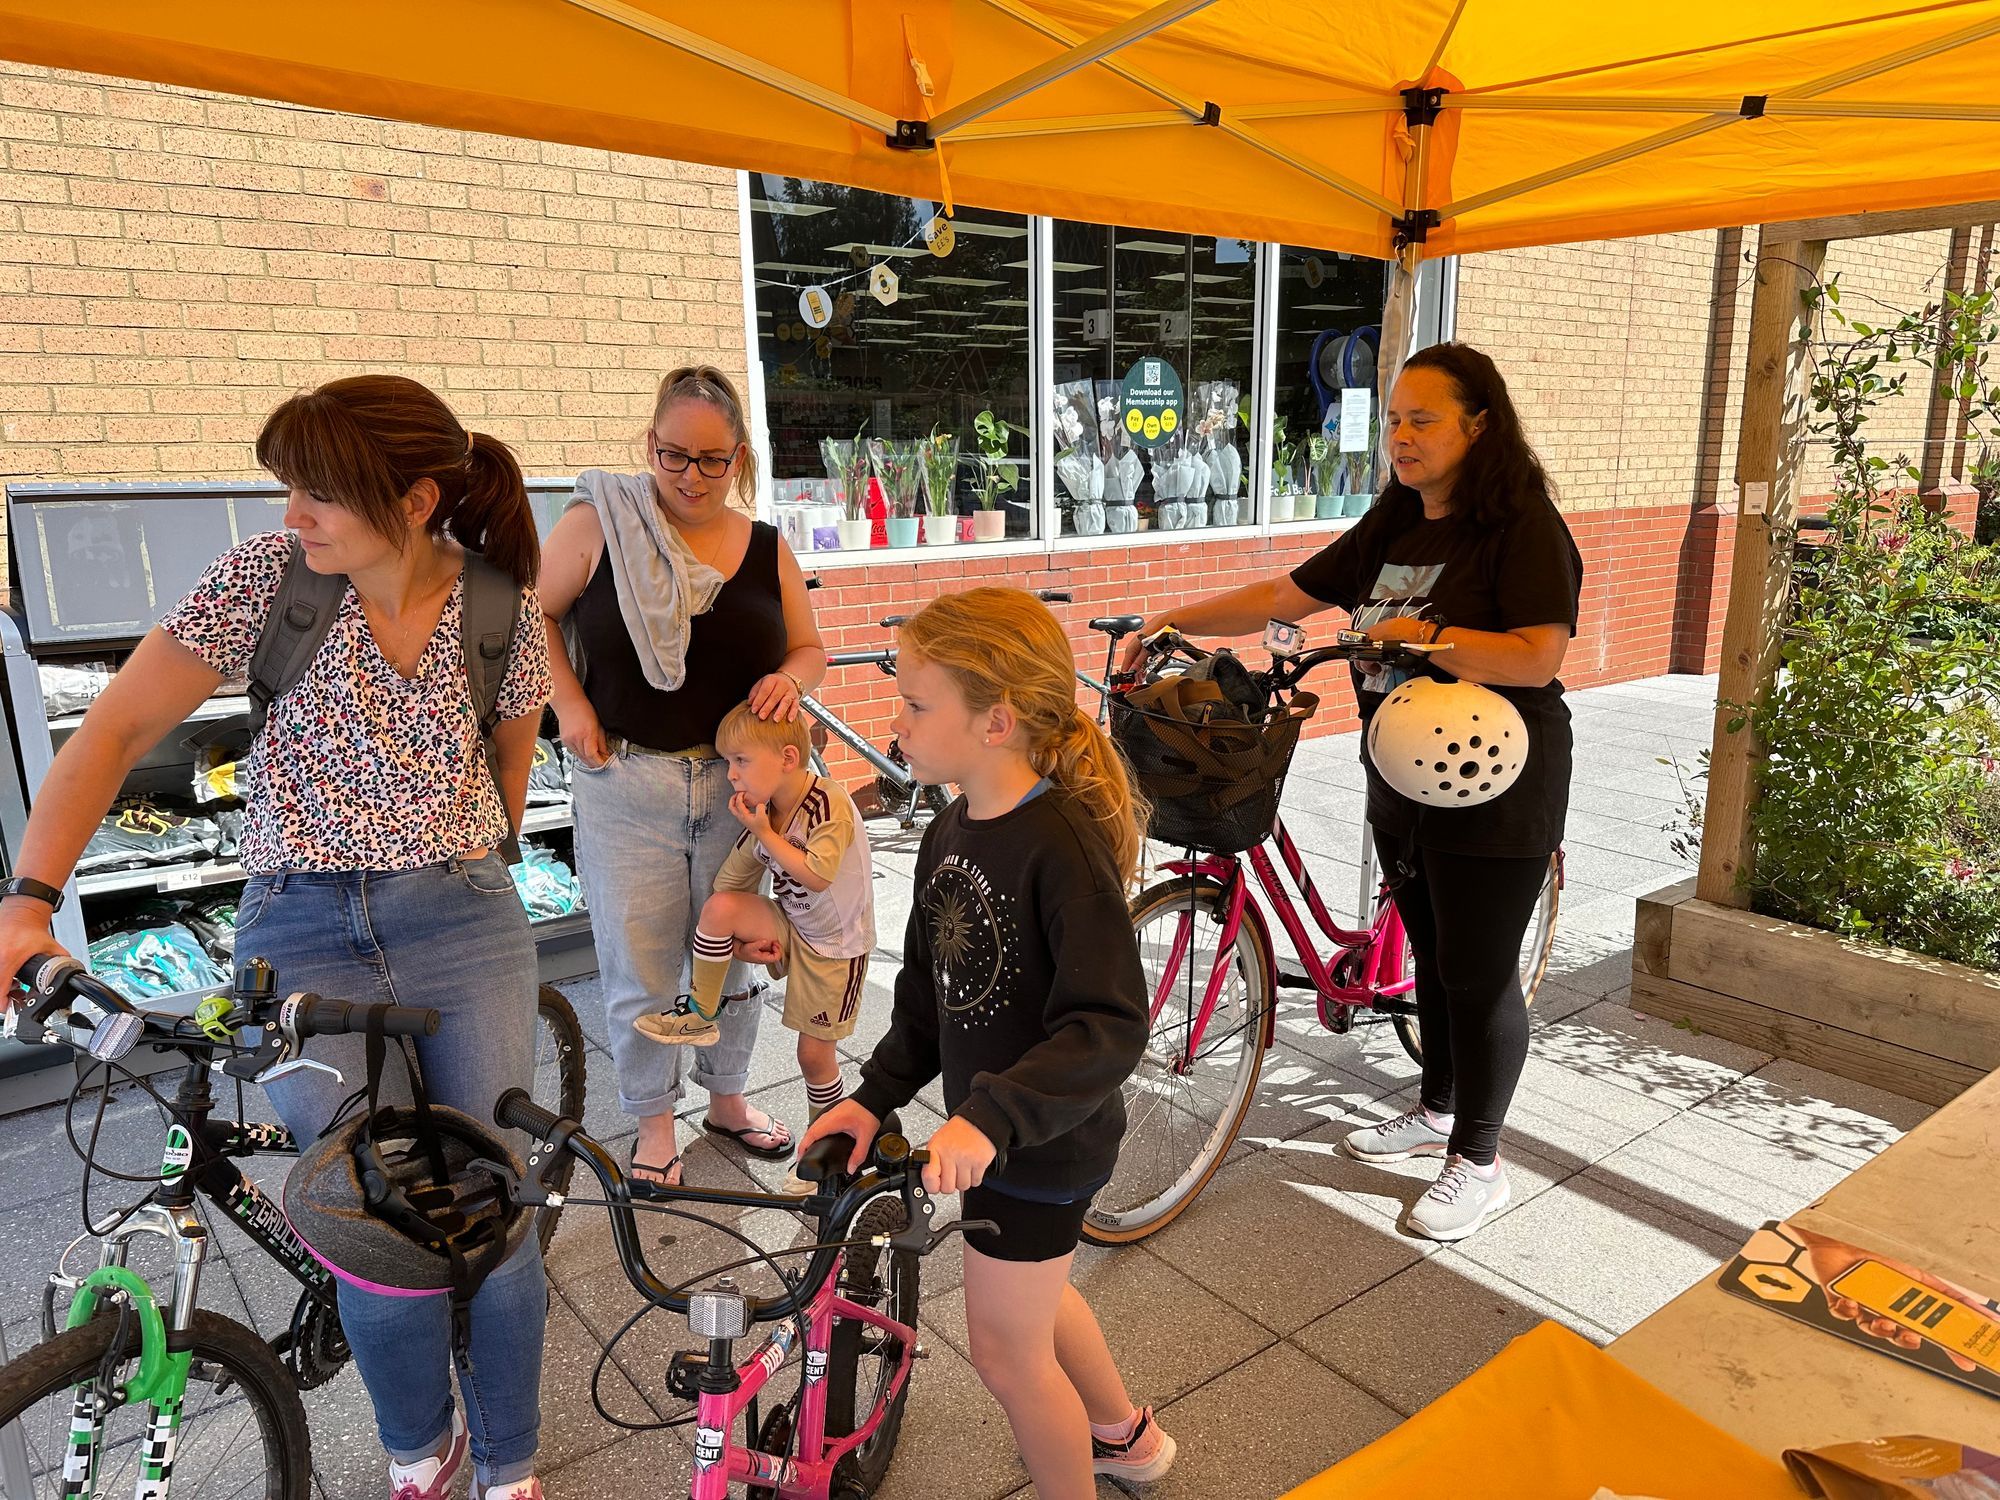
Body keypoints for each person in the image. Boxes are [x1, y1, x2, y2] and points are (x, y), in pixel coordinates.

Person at [0, 375, 556, 1500]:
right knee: (371, 1213)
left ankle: (509, 1465)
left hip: (462, 919)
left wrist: (461, 861)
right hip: (298, 922)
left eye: (316, 495)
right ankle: (420, 1452)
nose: (290, 515)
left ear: (412, 500)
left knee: (492, 1213)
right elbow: (112, 731)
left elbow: (506, 774)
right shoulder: (268, 582)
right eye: (286, 489)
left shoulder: (502, 608)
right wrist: (26, 899)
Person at [1123, 342, 1583, 1242]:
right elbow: (1291, 593)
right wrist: (1171, 618)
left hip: (1495, 780)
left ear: (1478, 425)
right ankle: (1440, 1107)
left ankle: (1479, 1160)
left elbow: (1537, 654)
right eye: (1395, 420)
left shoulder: (1522, 527)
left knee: (1477, 972)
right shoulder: (1396, 519)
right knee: (1431, 949)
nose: (1400, 438)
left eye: (1423, 420)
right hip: (1401, 770)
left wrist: (1434, 634)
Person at [803, 588, 1176, 1498]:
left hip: (1044, 1144)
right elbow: (929, 1000)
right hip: (994, 1140)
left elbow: (1110, 1022)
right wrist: (871, 1096)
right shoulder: (946, 831)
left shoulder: (1062, 846)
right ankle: (1126, 1438)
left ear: (995, 722)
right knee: (1034, 1310)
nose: (898, 719)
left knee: (1007, 1357)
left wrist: (992, 1118)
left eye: (918, 703)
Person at [538, 365, 825, 1187]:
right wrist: (572, 706)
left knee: (735, 954)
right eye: (673, 456)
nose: (691, 478)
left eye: (711, 460)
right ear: (649, 446)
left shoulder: (767, 547)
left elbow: (809, 648)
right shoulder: (601, 522)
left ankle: (728, 1098)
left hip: (743, 794)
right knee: (642, 964)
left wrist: (794, 680)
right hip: (628, 779)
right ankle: (654, 1121)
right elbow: (534, 615)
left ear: (740, 457)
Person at [638, 702, 874, 1194]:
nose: (731, 775)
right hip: (793, 925)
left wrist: (763, 831)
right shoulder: (767, 814)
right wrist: (738, 946)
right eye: (728, 762)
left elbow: (817, 872)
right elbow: (730, 887)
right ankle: (700, 1013)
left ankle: (827, 1154)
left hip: (836, 947)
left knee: (814, 1056)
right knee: (720, 908)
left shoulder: (825, 803)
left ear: (788, 757)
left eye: (740, 761)